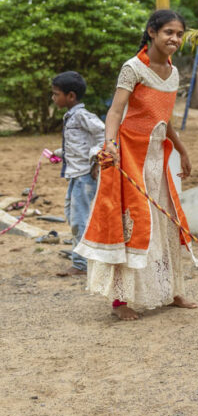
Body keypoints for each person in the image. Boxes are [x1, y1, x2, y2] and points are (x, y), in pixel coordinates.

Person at [75, 9, 198, 321]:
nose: (175, 39)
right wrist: (110, 144)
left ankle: (172, 290)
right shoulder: (132, 68)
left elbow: (164, 119)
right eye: (169, 32)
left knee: (166, 222)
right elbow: (115, 112)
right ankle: (121, 301)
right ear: (152, 32)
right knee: (135, 222)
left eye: (179, 34)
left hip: (158, 157)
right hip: (130, 154)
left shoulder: (173, 72)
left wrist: (181, 150)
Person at [50, 71, 104, 277]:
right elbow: (78, 146)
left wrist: (96, 159)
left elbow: (104, 134)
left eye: (56, 94)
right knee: (72, 214)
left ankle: (81, 264)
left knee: (79, 218)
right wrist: (59, 154)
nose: (54, 98)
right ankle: (87, 253)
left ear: (70, 96)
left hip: (84, 176)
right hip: (75, 174)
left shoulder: (82, 116)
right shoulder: (71, 116)